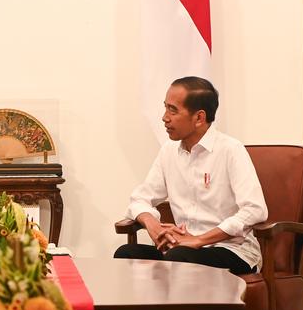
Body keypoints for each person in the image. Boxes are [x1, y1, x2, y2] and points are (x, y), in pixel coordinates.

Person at [114, 77, 267, 275]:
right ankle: (154, 307)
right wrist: (155, 227)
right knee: (127, 254)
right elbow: (140, 199)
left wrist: (199, 239)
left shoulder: (230, 150)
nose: (164, 117)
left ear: (199, 118)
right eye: (165, 108)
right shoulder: (169, 151)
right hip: (181, 250)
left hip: (231, 250)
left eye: (173, 110)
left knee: (179, 258)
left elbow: (255, 210)